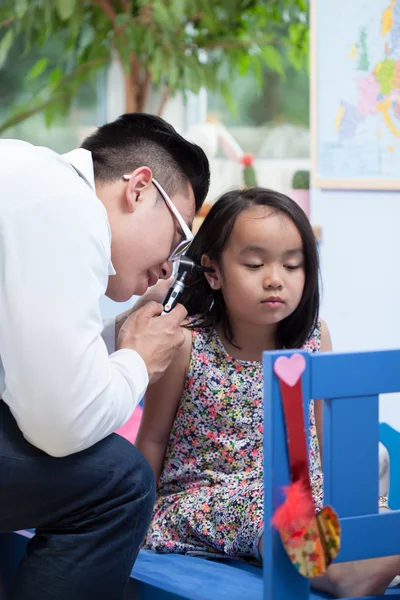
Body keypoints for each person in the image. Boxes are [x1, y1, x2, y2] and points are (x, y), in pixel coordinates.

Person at [136, 187, 400, 598]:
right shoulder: (187, 344)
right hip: (210, 497)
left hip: (302, 491)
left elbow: (325, 437)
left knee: (364, 508)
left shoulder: (313, 337)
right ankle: (345, 574)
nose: (275, 279)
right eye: (255, 264)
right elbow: (151, 437)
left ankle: (365, 556)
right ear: (213, 272)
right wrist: (130, 520)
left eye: (292, 265)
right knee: (276, 509)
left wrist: (357, 504)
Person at [0, 113, 210, 600]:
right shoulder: (67, 209)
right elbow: (63, 424)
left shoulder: (32, 179)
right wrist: (137, 361)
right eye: (178, 238)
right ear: (138, 188)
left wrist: (122, 350)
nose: (167, 266)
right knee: (121, 483)